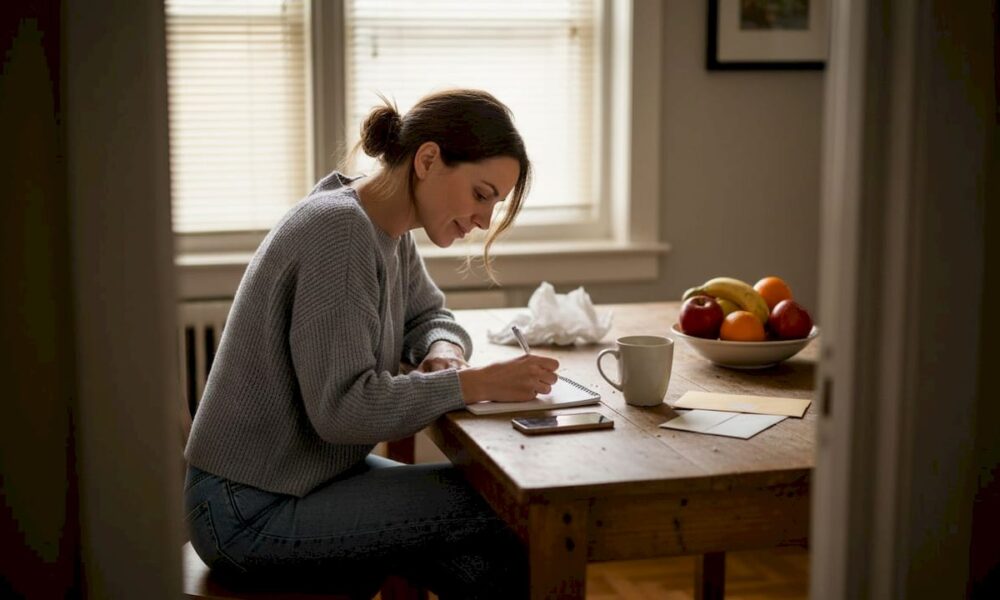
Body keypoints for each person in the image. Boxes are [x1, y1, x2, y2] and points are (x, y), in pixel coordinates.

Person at [183, 89, 559, 599]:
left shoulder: (385, 227)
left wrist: (442, 350)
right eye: (481, 194)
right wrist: (472, 383)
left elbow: (431, 315)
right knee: (505, 507)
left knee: (493, 551)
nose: (483, 221)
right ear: (428, 160)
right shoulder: (340, 234)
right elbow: (343, 410)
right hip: (247, 509)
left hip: (308, 479)